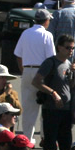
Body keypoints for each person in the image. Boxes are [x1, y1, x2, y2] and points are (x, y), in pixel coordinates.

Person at [34, 33, 75, 150]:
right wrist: (53, 93)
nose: (71, 51)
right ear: (59, 47)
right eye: (67, 47)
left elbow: (72, 86)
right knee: (50, 146)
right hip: (51, 110)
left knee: (66, 145)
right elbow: (36, 82)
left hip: (66, 110)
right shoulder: (50, 62)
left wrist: (74, 74)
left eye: (72, 48)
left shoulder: (69, 64)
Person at [13, 8, 55, 140]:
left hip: (27, 70)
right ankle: (44, 137)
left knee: (28, 107)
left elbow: (18, 55)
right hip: (42, 73)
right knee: (46, 106)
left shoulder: (25, 33)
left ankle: (27, 138)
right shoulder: (47, 35)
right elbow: (51, 58)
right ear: (46, 21)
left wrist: (23, 70)